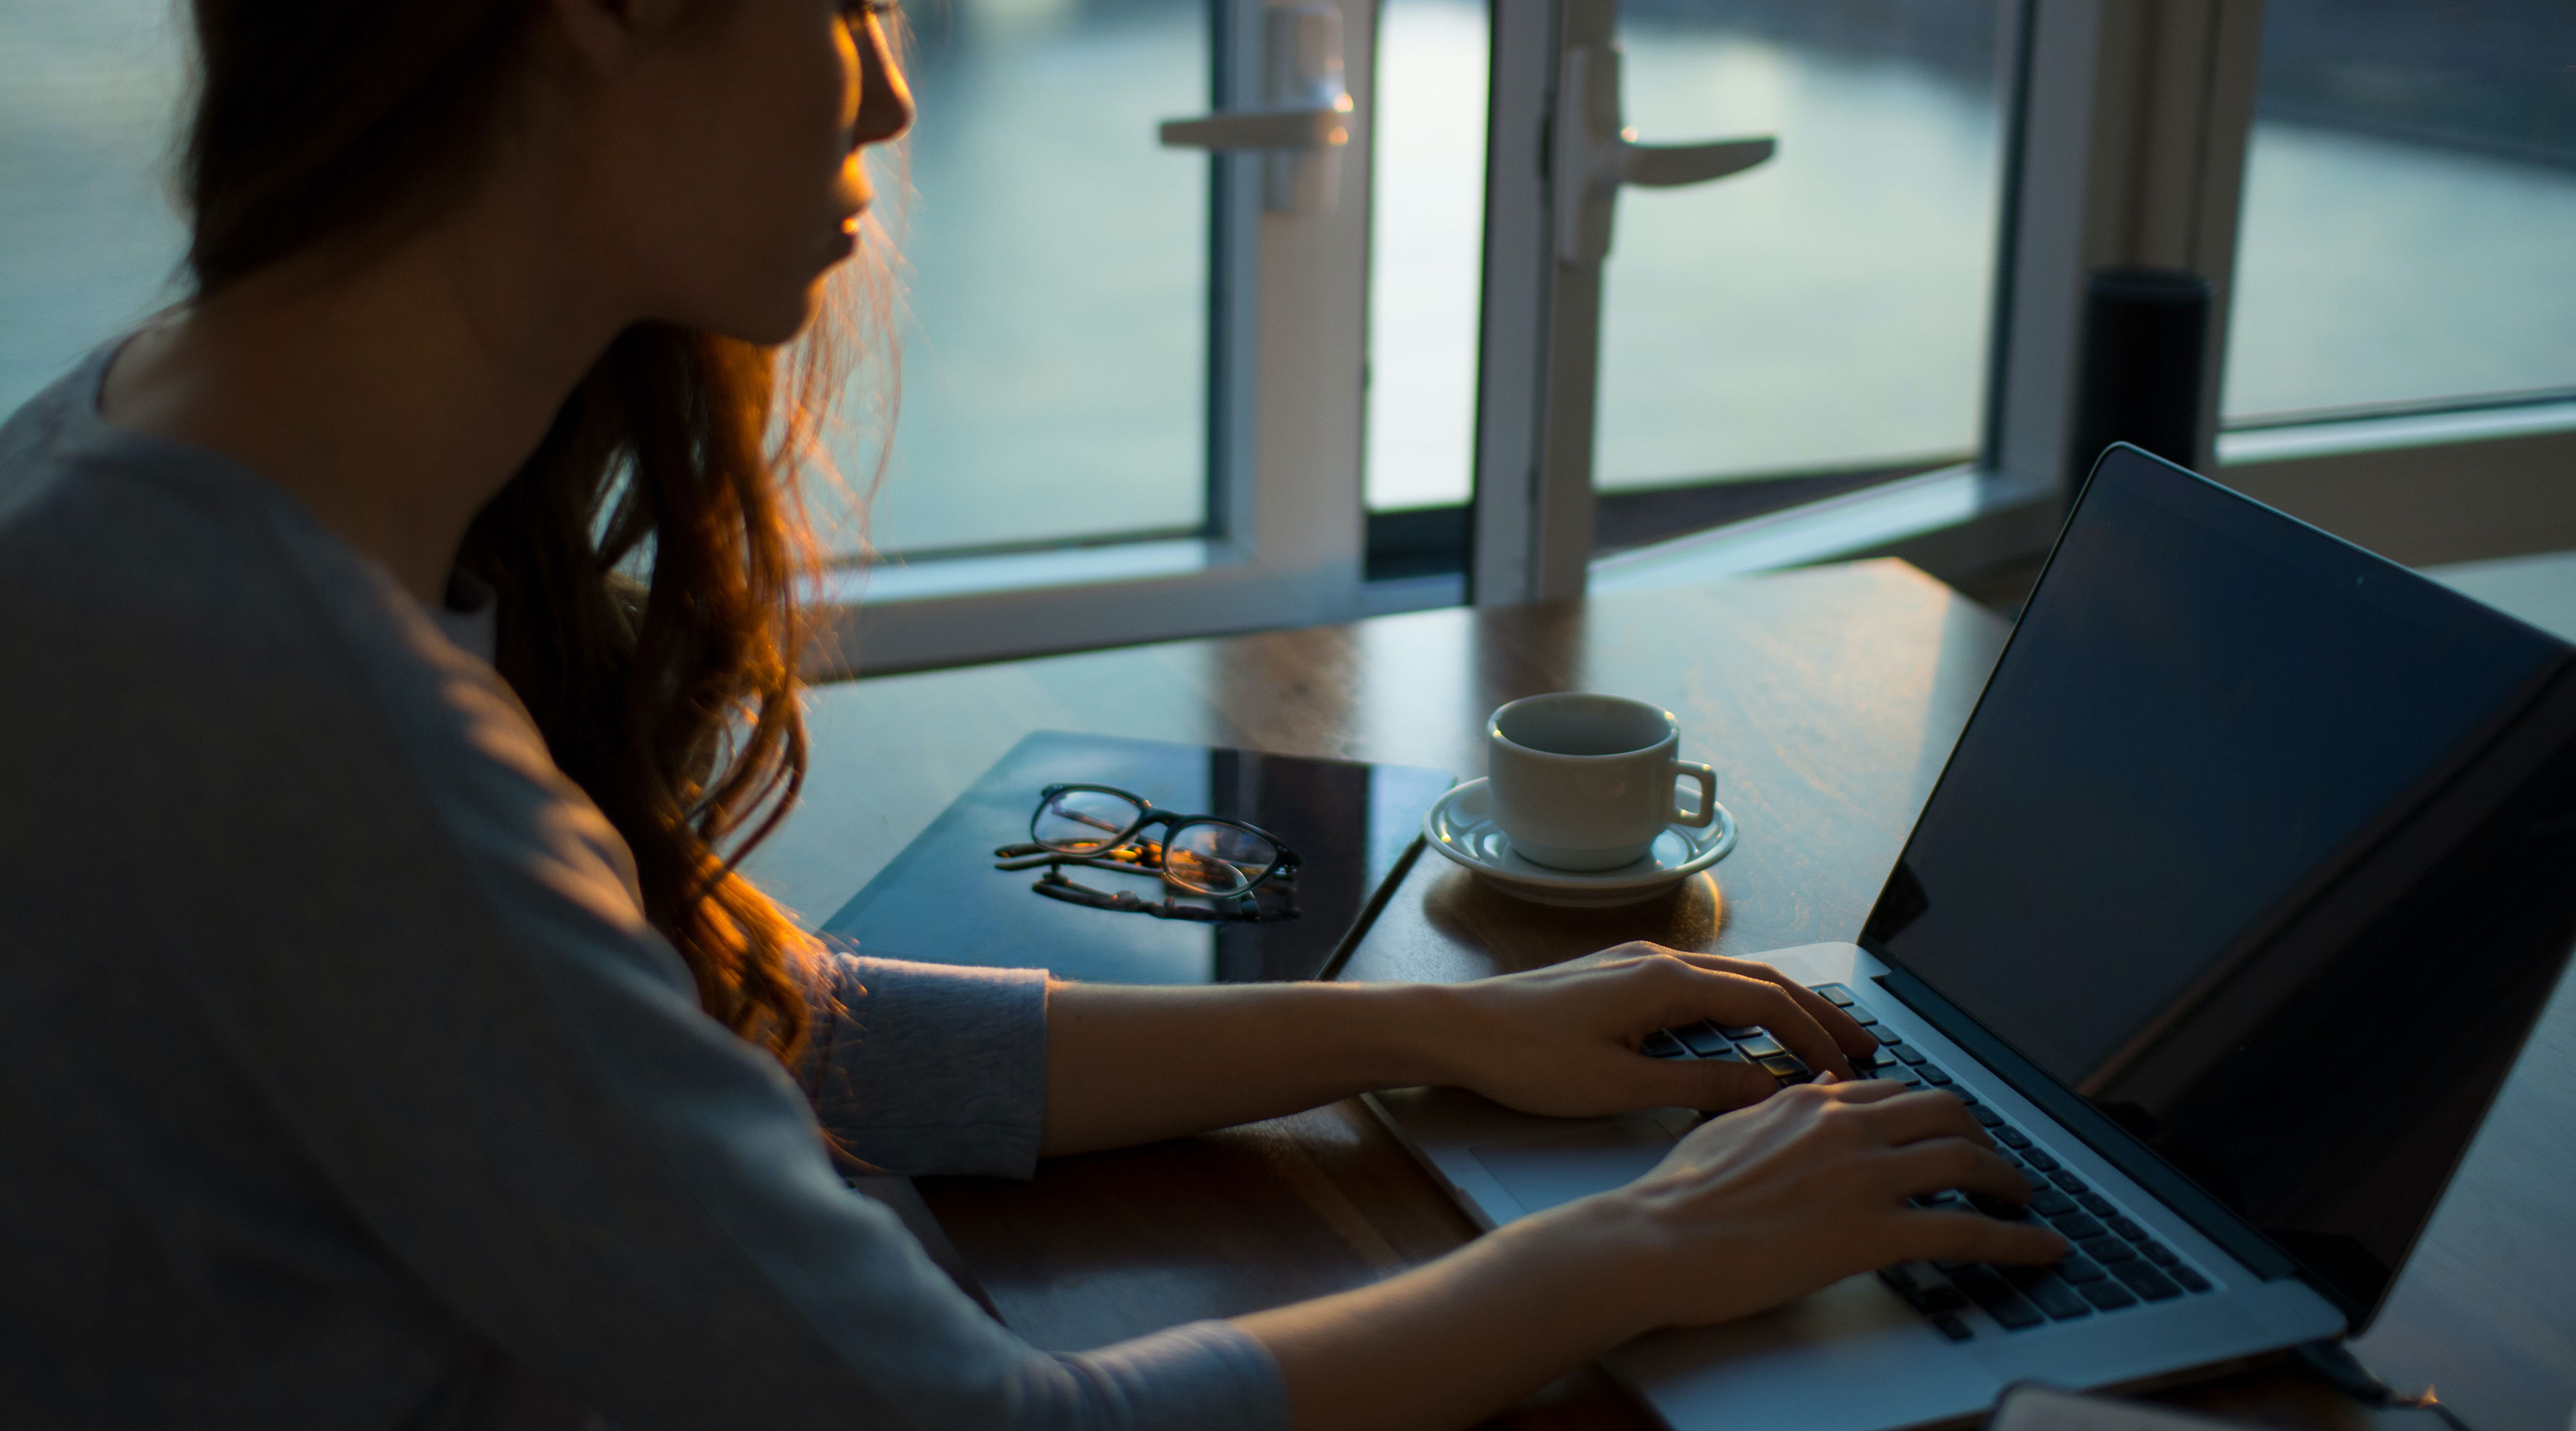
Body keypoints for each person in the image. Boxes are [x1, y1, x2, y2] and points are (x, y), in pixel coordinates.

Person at [0, 1, 2064, 1426]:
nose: (891, 92)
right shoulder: (308, 721)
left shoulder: (137, 458)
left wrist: (1428, 1027)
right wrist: (1629, 1256)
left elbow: (689, 1028)